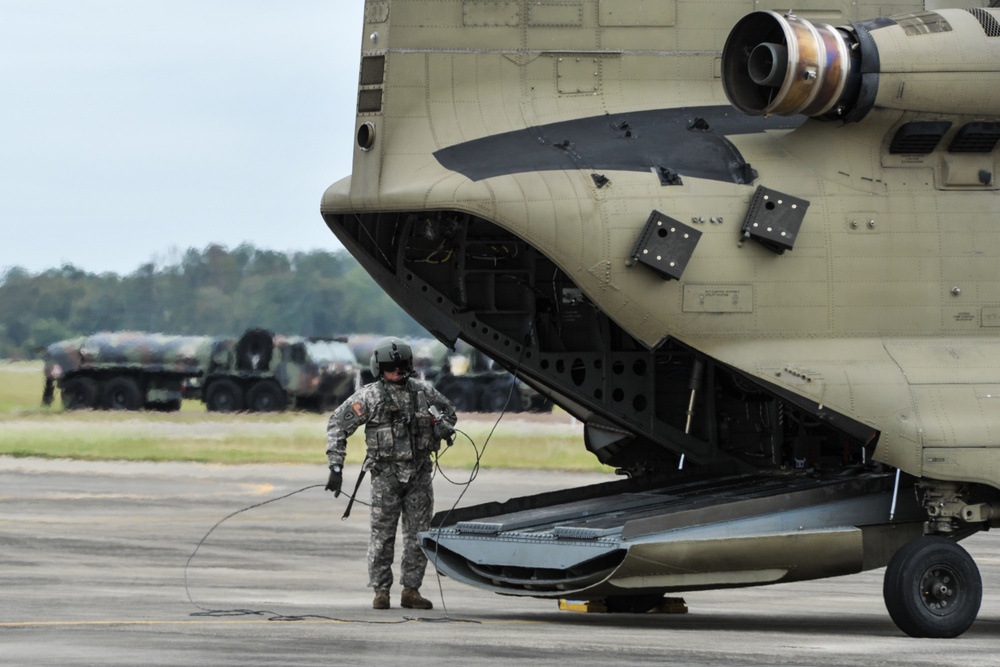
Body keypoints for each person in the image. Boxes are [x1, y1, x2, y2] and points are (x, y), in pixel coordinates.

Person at [324, 336, 457, 610]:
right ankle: (381, 591)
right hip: (386, 478)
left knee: (419, 537)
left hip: (419, 475)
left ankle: (411, 590)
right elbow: (338, 425)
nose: (396, 372)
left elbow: (449, 414)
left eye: (401, 366)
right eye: (390, 367)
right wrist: (336, 467)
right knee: (382, 538)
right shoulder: (369, 397)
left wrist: (440, 427)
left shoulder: (424, 392)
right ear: (378, 368)